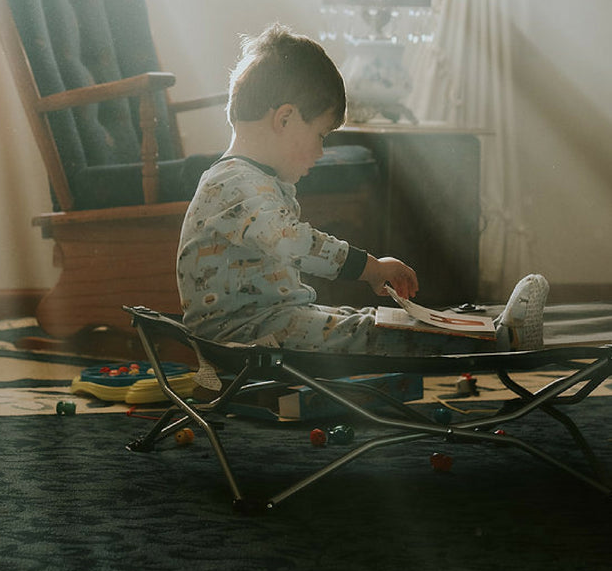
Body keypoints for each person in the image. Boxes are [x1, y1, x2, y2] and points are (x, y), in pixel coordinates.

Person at [176, 24, 549, 356]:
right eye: (320, 135)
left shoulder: (247, 180)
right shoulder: (236, 184)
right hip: (243, 339)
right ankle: (500, 341)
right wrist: (369, 267)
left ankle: (484, 333)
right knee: (364, 332)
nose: (321, 152)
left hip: (266, 326)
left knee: (364, 321)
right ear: (285, 118)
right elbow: (292, 241)